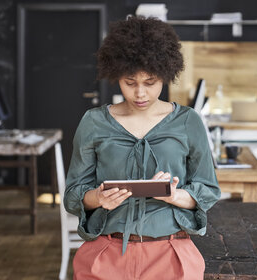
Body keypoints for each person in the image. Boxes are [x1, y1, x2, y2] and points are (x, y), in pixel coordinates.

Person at [63, 16, 221, 280]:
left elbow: (208, 190)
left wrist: (174, 195)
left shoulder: (188, 121)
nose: (140, 94)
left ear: (166, 74)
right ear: (116, 75)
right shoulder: (94, 122)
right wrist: (98, 198)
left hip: (171, 255)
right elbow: (72, 195)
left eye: (150, 82)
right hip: (107, 254)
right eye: (129, 82)